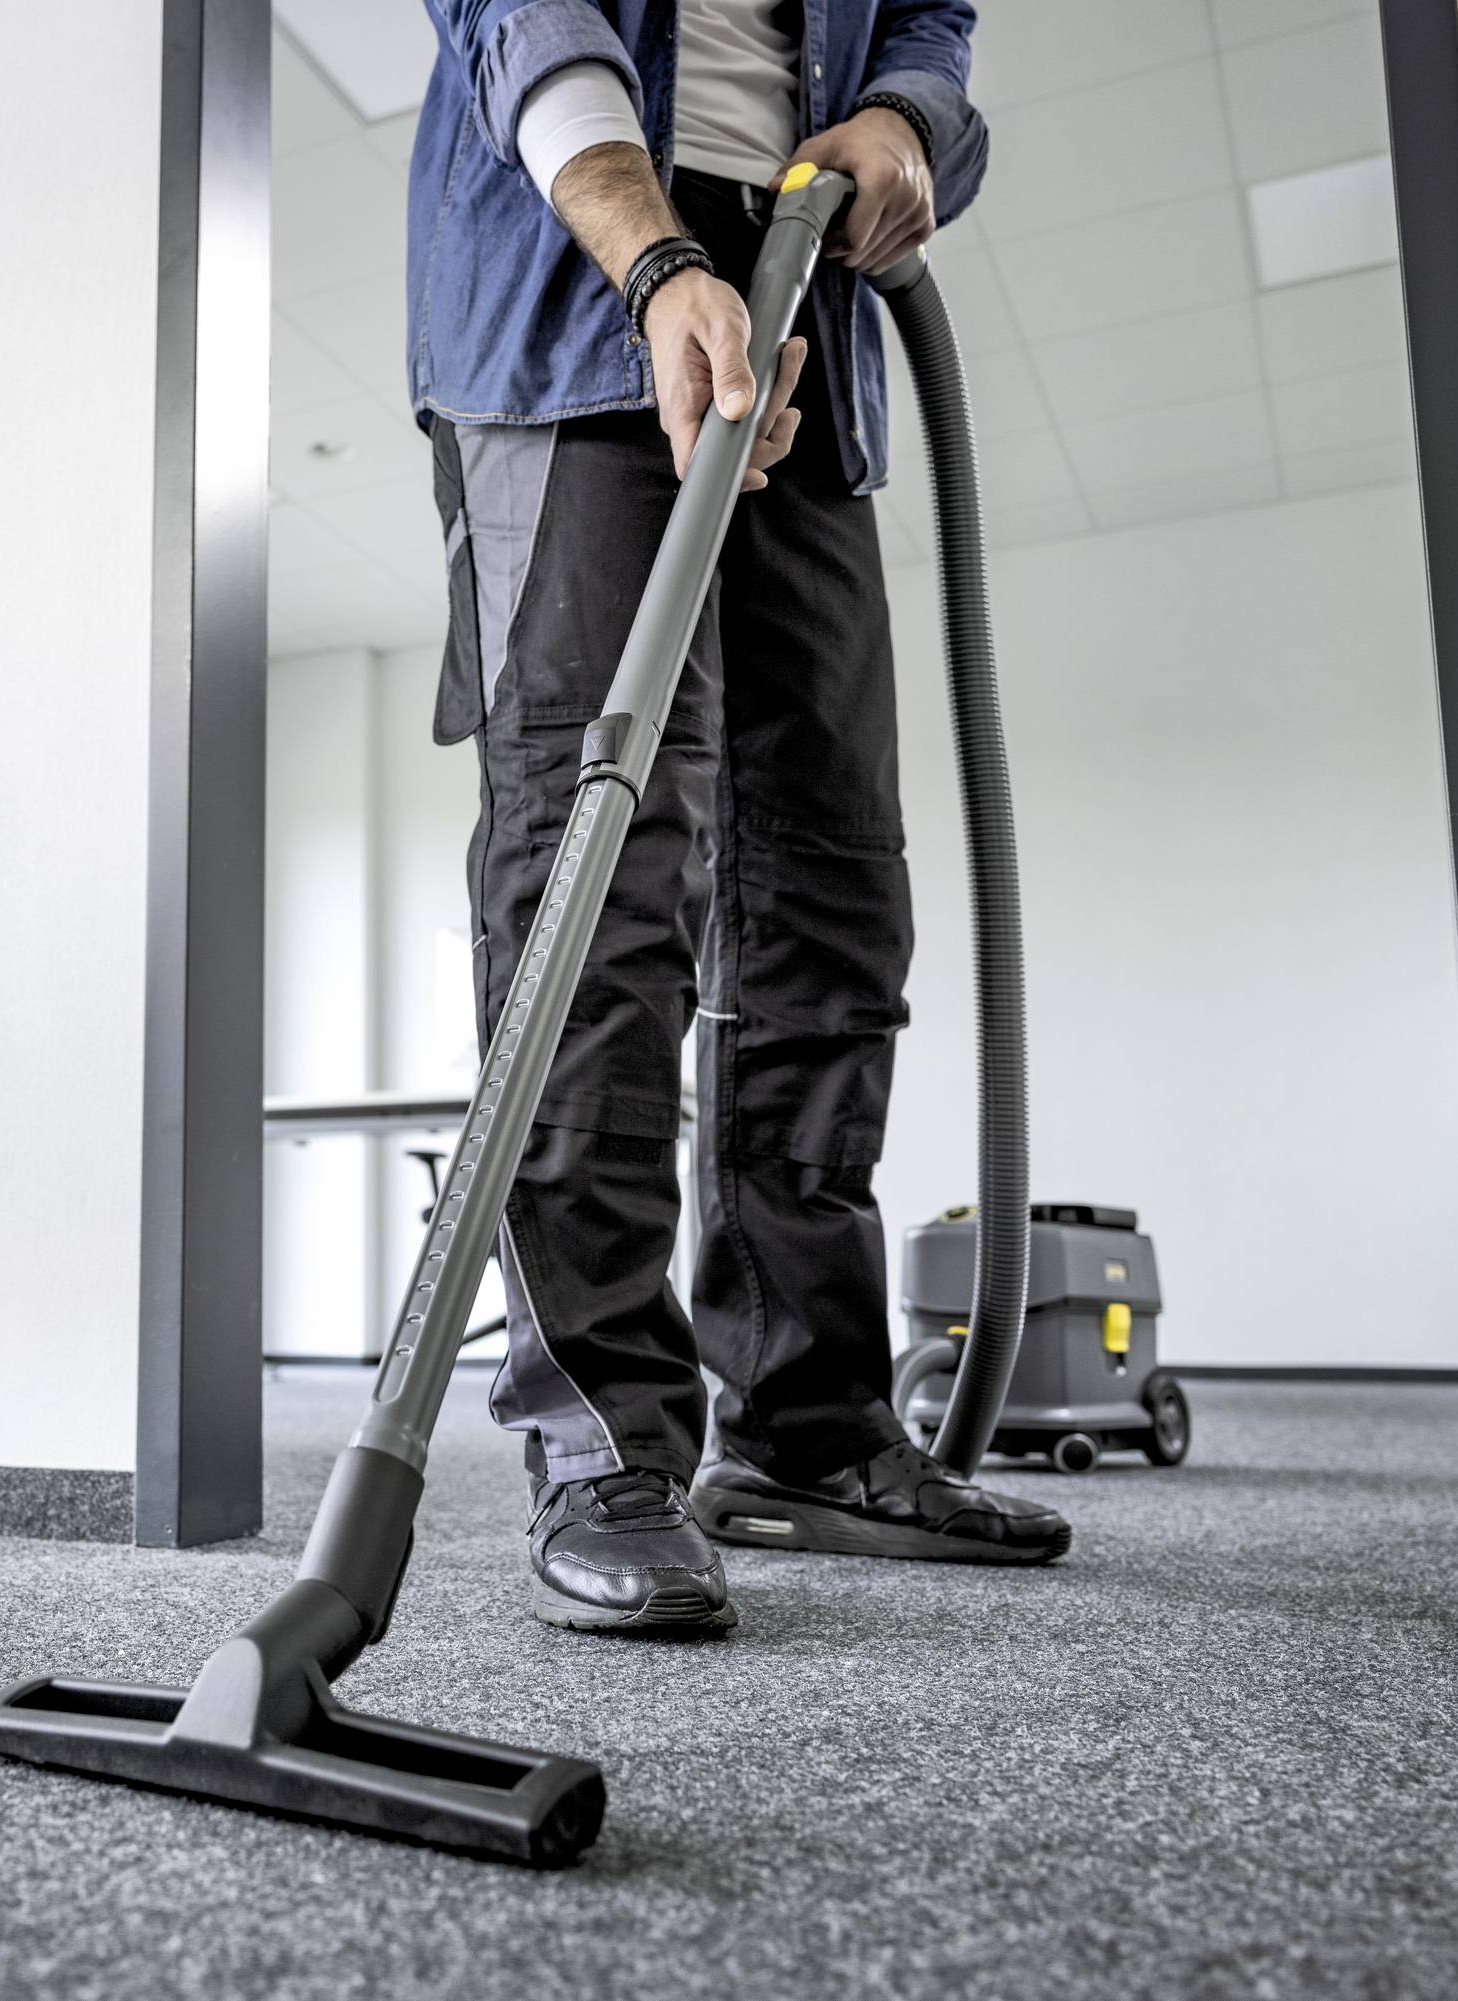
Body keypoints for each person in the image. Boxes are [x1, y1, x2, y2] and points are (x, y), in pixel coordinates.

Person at [408, 0, 1070, 1633]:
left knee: (830, 891)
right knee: (601, 869)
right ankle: (606, 1436)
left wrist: (913, 123)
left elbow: (928, 15)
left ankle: (809, 1420)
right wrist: (649, 258)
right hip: (575, 287)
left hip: (809, 304)